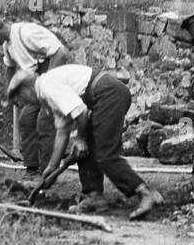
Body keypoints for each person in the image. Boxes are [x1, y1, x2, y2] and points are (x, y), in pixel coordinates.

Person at [15, 64, 163, 220]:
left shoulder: (46, 86)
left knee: (105, 154)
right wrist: (52, 167)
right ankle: (94, 196)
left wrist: (80, 138)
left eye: (20, 98)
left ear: (26, 89)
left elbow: (82, 114)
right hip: (103, 98)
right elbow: (62, 132)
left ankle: (145, 193)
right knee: (86, 151)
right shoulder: (48, 95)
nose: (23, 103)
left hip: (109, 94)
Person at [0, 13, 69, 171]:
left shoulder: (27, 33)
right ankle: (32, 167)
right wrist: (11, 91)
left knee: (44, 121)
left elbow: (60, 53)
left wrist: (49, 82)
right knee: (26, 119)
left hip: (54, 76)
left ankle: (49, 170)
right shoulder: (7, 45)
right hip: (37, 83)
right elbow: (9, 68)